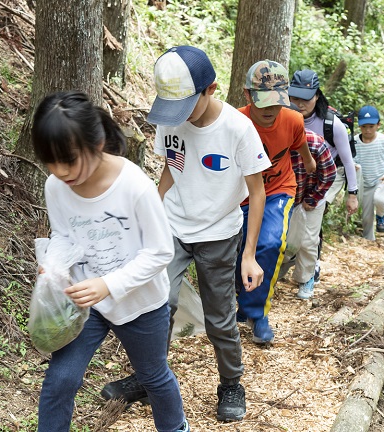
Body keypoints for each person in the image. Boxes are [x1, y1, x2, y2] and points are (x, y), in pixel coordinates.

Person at [101, 46, 271, 422]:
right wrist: (148, 217)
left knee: (220, 316)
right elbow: (170, 167)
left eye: (186, 105)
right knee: (157, 305)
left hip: (219, 233)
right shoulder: (171, 115)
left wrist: (249, 254)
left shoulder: (238, 129)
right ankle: (150, 379)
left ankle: (231, 382)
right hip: (172, 226)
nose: (179, 116)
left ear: (210, 89)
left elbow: (257, 192)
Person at [31, 91, 189, 432]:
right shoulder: (56, 186)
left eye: (70, 160)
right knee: (61, 379)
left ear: (98, 142)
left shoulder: (134, 187)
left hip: (141, 304)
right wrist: (54, 263)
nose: (61, 171)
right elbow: (63, 235)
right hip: (86, 303)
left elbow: (161, 250)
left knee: (153, 377)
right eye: (51, 162)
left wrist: (108, 285)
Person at [236, 60, 315, 343]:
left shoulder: (293, 119)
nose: (270, 111)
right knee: (239, 248)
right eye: (263, 102)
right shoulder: (235, 122)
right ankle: (242, 303)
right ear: (247, 95)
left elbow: (301, 147)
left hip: (278, 190)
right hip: (241, 196)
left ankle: (257, 313)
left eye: (277, 102)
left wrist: (310, 164)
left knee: (270, 243)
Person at [288, 69, 359, 281]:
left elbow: (347, 161)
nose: (300, 104)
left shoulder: (331, 123)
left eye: (306, 99)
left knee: (315, 214)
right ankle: (293, 256)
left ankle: (312, 265)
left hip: (328, 174)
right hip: (297, 175)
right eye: (295, 98)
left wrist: (352, 194)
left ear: (317, 96)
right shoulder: (286, 117)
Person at [282, 125, 336, 299]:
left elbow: (329, 173)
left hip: (313, 194)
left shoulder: (314, 142)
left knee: (308, 240)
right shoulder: (273, 139)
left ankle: (306, 278)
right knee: (280, 238)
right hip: (283, 197)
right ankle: (276, 272)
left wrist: (313, 197)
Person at [353, 105, 384, 240]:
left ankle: (382, 217)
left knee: (380, 199)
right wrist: (354, 166)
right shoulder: (354, 141)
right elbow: (352, 159)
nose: (367, 130)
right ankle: (368, 240)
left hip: (381, 180)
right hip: (365, 183)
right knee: (366, 217)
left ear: (378, 125)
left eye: (371, 126)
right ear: (359, 126)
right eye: (364, 126)